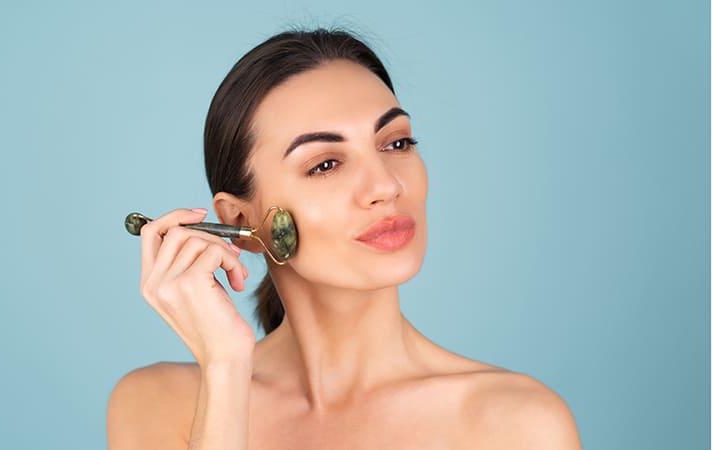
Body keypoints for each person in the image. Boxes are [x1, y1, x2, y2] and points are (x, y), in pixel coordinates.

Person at [106, 27, 582, 449]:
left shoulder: (519, 424)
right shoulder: (158, 404)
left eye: (396, 143)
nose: (386, 186)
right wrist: (226, 370)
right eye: (325, 164)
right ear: (241, 223)